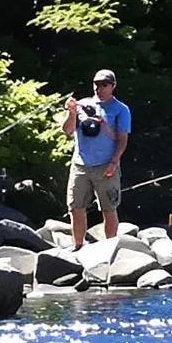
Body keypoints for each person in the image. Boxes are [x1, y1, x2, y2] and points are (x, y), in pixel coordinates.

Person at [64, 69, 131, 247]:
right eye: (96, 84)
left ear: (113, 86)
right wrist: (71, 112)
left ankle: (110, 247)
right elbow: (67, 130)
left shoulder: (121, 110)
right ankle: (78, 246)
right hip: (80, 165)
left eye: (104, 85)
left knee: (108, 208)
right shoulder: (82, 105)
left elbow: (122, 139)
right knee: (75, 207)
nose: (99, 88)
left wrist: (114, 162)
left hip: (106, 165)